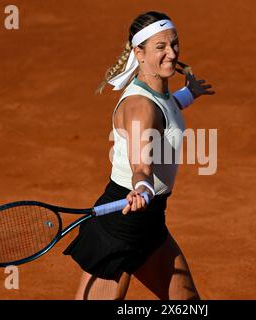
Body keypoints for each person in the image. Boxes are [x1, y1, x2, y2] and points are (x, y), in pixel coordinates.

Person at [64, 11, 214, 300]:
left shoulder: (158, 93)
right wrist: (142, 187)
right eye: (161, 47)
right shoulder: (138, 108)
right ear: (139, 53)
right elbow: (141, 164)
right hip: (121, 226)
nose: (171, 53)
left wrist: (188, 94)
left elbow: (164, 114)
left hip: (150, 223)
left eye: (174, 44)